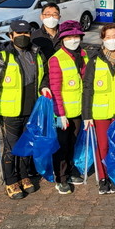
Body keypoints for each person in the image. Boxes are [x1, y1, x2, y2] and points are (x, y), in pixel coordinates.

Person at [0, 20, 50, 199]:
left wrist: (44, 86)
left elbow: (45, 75)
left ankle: (23, 176)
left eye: (26, 33)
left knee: (27, 146)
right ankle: (11, 180)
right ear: (11, 35)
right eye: (19, 33)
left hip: (31, 110)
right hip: (10, 112)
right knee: (11, 148)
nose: (23, 36)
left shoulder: (37, 53)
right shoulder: (4, 57)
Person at [82, 23, 115, 194]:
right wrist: (87, 115)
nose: (112, 40)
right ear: (102, 39)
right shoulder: (94, 60)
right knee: (103, 146)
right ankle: (103, 178)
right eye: (108, 37)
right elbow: (87, 89)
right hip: (100, 112)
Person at [48, 20, 89, 194]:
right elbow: (55, 88)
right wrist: (60, 114)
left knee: (73, 143)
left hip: (78, 111)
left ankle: (71, 172)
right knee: (62, 146)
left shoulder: (84, 55)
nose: (73, 40)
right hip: (63, 112)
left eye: (76, 36)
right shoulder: (56, 58)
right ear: (62, 39)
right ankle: (61, 178)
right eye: (69, 37)